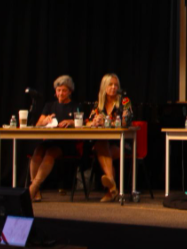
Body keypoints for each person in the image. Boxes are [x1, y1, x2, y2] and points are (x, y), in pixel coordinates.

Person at [28, 75, 79, 202]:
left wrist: (71, 121)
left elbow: (81, 123)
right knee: (38, 151)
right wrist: (45, 120)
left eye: (64, 90)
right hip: (50, 140)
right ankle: (36, 189)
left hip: (66, 144)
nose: (61, 93)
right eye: (58, 90)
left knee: (50, 153)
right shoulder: (49, 105)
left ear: (70, 92)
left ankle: (33, 187)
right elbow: (38, 125)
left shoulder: (75, 106)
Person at [87, 73, 133, 202]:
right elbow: (88, 122)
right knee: (101, 145)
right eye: (110, 85)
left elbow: (126, 123)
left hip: (121, 143)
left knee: (102, 150)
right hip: (103, 143)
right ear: (104, 87)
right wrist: (95, 122)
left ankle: (111, 188)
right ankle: (112, 188)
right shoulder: (98, 105)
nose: (113, 87)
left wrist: (109, 122)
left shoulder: (125, 102)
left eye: (116, 85)